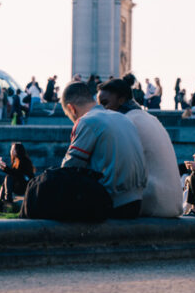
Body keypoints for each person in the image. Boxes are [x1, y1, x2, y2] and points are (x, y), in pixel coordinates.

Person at [97, 76, 183, 218]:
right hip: (172, 203)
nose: (102, 110)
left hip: (152, 202)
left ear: (121, 100)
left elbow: (116, 169)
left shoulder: (126, 122)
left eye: (105, 103)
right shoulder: (147, 118)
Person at [61, 81, 147, 219]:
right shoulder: (123, 119)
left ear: (72, 109)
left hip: (112, 203)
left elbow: (67, 170)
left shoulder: (87, 121)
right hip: (137, 201)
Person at [0, 142, 35, 213]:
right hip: (19, 184)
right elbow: (14, 173)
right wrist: (3, 167)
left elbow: (17, 174)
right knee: (4, 184)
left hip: (24, 186)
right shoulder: (16, 160)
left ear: (18, 150)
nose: (11, 151)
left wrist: (5, 167)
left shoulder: (24, 161)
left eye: (12, 149)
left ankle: (6, 200)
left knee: (8, 177)